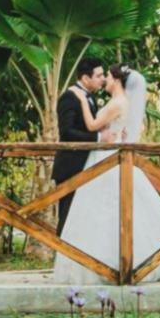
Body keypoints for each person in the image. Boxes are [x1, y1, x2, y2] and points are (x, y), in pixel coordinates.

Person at [54, 64, 160, 284]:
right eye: (101, 75)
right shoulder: (119, 102)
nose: (104, 79)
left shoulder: (117, 103)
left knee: (107, 210)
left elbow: (92, 124)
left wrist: (78, 97)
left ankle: (116, 265)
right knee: (103, 212)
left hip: (108, 159)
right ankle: (107, 264)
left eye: (106, 76)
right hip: (106, 158)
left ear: (116, 80)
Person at [53, 57, 106, 234]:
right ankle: (63, 259)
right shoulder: (69, 97)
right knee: (68, 217)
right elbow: (67, 132)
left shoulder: (90, 97)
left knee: (85, 218)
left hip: (89, 166)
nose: (103, 79)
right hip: (71, 166)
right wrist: (99, 137)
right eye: (99, 75)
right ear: (85, 78)